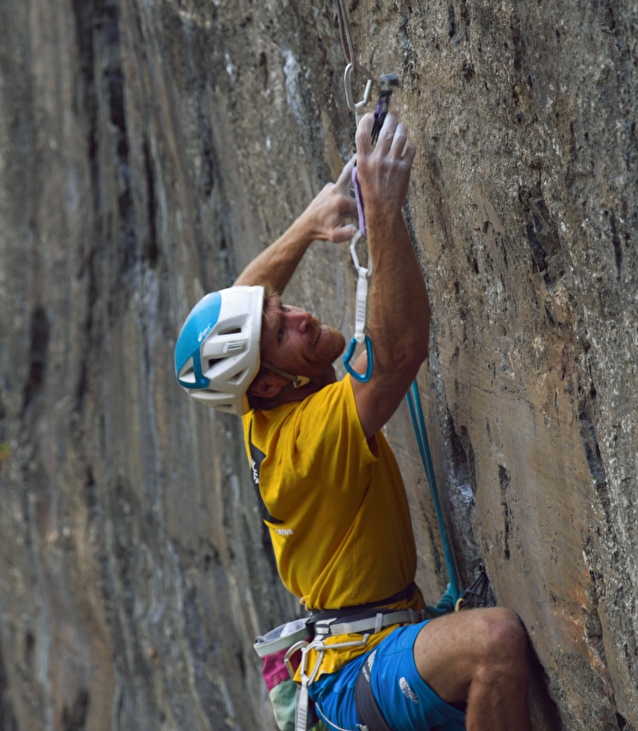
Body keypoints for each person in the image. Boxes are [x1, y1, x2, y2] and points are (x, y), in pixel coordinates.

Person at [174, 110, 531, 731]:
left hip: (358, 652)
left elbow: (245, 296)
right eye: (282, 332)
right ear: (267, 382)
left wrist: (309, 227)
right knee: (493, 643)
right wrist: (384, 210)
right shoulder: (309, 441)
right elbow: (394, 358)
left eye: (283, 307)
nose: (302, 317)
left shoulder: (259, 409)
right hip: (352, 672)